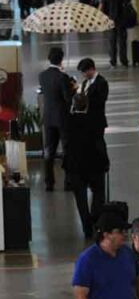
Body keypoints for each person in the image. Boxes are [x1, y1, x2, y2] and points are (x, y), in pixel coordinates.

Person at [66, 58, 110, 239]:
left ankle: (87, 224)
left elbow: (100, 102)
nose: (83, 75)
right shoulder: (84, 84)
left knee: (81, 197)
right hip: (93, 162)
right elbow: (99, 144)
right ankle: (94, 222)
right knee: (98, 192)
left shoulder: (102, 83)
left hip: (77, 164)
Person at [39, 47, 74, 191]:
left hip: (48, 117)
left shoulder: (42, 75)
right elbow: (68, 99)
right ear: (61, 59)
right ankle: (68, 182)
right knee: (67, 150)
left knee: (49, 150)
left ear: (49, 58)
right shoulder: (62, 77)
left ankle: (49, 182)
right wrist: (72, 87)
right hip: (62, 118)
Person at [99, 0, 132, 68]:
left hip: (110, 21)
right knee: (122, 42)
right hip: (122, 21)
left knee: (112, 42)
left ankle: (113, 61)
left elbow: (101, 8)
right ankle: (124, 60)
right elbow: (129, 6)